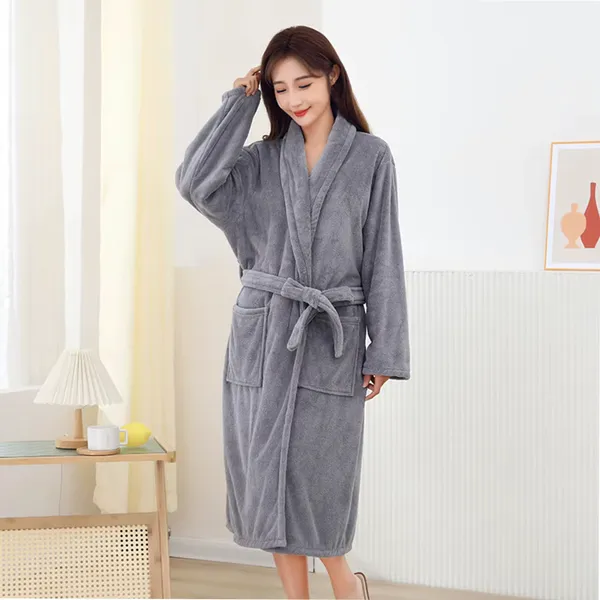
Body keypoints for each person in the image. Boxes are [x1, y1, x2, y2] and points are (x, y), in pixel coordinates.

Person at [175, 25, 410, 600]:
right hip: (264, 333)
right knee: (268, 478)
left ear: (332, 75)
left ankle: (345, 582)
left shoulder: (370, 158)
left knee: (318, 478)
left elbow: (383, 255)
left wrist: (384, 349)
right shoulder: (259, 162)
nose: (294, 100)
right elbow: (194, 183)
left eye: (303, 84)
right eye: (279, 90)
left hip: (330, 335)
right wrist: (238, 104)